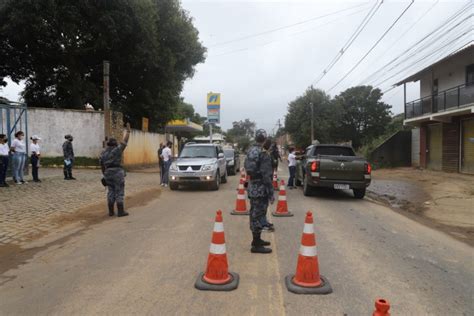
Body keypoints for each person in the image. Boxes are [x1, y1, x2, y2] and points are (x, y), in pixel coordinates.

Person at [245, 129, 274, 254]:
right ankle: (256, 245)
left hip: (253, 187)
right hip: (261, 188)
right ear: (265, 139)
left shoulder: (250, 151)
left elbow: (247, 168)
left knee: (254, 213)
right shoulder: (263, 153)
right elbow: (266, 175)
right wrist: (271, 192)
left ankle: (257, 240)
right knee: (259, 215)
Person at [100, 123, 131, 217]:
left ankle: (111, 211)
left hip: (107, 173)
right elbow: (124, 142)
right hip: (117, 172)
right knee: (119, 191)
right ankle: (120, 211)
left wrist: (104, 175)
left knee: (111, 191)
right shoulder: (117, 150)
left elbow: (102, 165)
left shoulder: (103, 153)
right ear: (115, 144)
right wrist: (128, 131)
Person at [261, 138, 275, 232]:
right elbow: (266, 176)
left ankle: (264, 222)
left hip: (256, 186)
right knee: (262, 207)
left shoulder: (258, 153)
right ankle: (262, 224)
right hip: (263, 186)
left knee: (261, 207)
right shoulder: (265, 155)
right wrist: (271, 193)